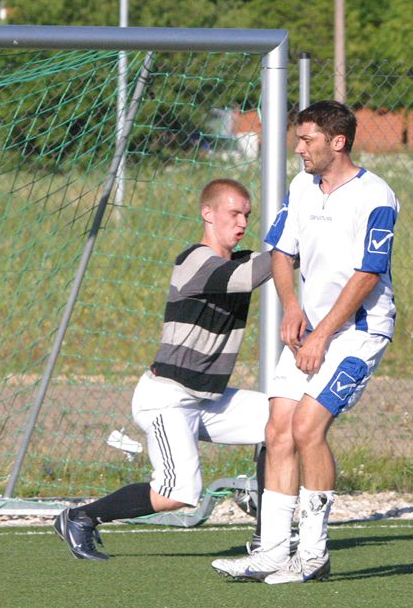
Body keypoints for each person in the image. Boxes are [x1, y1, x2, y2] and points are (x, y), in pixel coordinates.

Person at [212, 100, 398, 584]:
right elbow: (280, 252)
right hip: (310, 330)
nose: (299, 148)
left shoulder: (376, 196)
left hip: (358, 333)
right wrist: (292, 307)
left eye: (307, 139)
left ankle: (314, 554)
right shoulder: (301, 187)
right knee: (278, 430)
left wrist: (322, 334)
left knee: (307, 428)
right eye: (299, 139)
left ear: (337, 142)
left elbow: (368, 275)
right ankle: (273, 552)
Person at [53, 179, 272, 559]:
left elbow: (275, 261)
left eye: (247, 215)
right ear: (208, 214)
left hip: (206, 399)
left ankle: (269, 536)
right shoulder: (194, 261)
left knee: (283, 420)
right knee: (179, 492)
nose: (242, 222)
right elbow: (252, 275)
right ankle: (80, 517)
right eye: (234, 213)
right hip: (167, 398)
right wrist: (293, 240)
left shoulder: (240, 260)